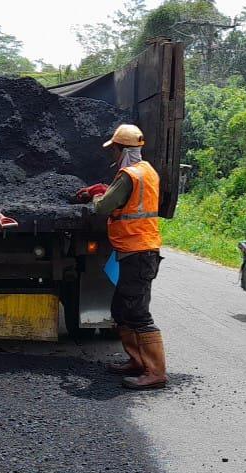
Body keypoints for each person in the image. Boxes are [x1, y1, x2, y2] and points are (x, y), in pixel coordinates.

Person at [89, 123, 167, 390]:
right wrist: (105, 189)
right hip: (139, 249)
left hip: (138, 251)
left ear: (121, 149)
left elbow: (103, 208)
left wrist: (97, 195)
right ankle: (137, 361)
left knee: (137, 313)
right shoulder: (147, 171)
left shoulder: (128, 175)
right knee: (122, 309)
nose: (113, 154)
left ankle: (155, 371)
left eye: (115, 149)